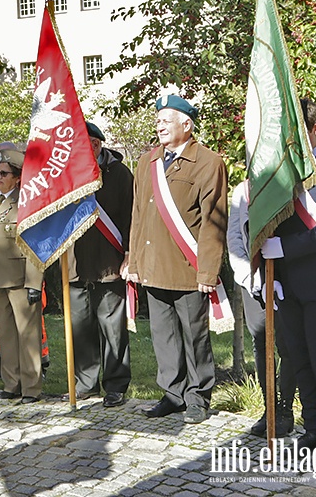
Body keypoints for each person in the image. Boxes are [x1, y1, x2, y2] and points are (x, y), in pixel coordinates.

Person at [123, 95, 228, 424]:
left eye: (166, 120)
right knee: (163, 335)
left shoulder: (209, 163)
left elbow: (214, 221)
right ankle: (172, 393)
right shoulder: (146, 162)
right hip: (153, 266)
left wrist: (208, 271)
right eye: (157, 121)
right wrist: (135, 262)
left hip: (187, 267)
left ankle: (198, 396)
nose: (159, 125)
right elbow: (138, 216)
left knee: (194, 335)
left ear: (187, 124)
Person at [260, 99, 316, 450]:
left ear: (314, 129)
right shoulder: (283, 170)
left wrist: (287, 248)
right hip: (287, 282)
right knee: (299, 358)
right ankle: (313, 429)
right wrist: (274, 271)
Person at [68, 122, 133, 408]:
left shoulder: (119, 175)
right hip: (75, 265)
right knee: (80, 328)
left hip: (109, 265)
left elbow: (131, 218)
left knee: (113, 331)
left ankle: (116, 384)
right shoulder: (68, 176)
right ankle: (85, 382)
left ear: (95, 145)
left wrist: (130, 254)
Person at [227, 180, 296, 437]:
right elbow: (235, 236)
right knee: (261, 341)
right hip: (253, 278)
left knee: (288, 345)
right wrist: (250, 277)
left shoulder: (288, 181)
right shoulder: (242, 191)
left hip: (287, 278)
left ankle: (285, 409)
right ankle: (269, 410)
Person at [0, 148, 44, 404]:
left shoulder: (27, 200)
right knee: (5, 333)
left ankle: (31, 387)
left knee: (27, 335)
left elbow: (36, 243)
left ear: (18, 177)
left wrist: (34, 281)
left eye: (4, 173)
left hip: (20, 278)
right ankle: (11, 383)